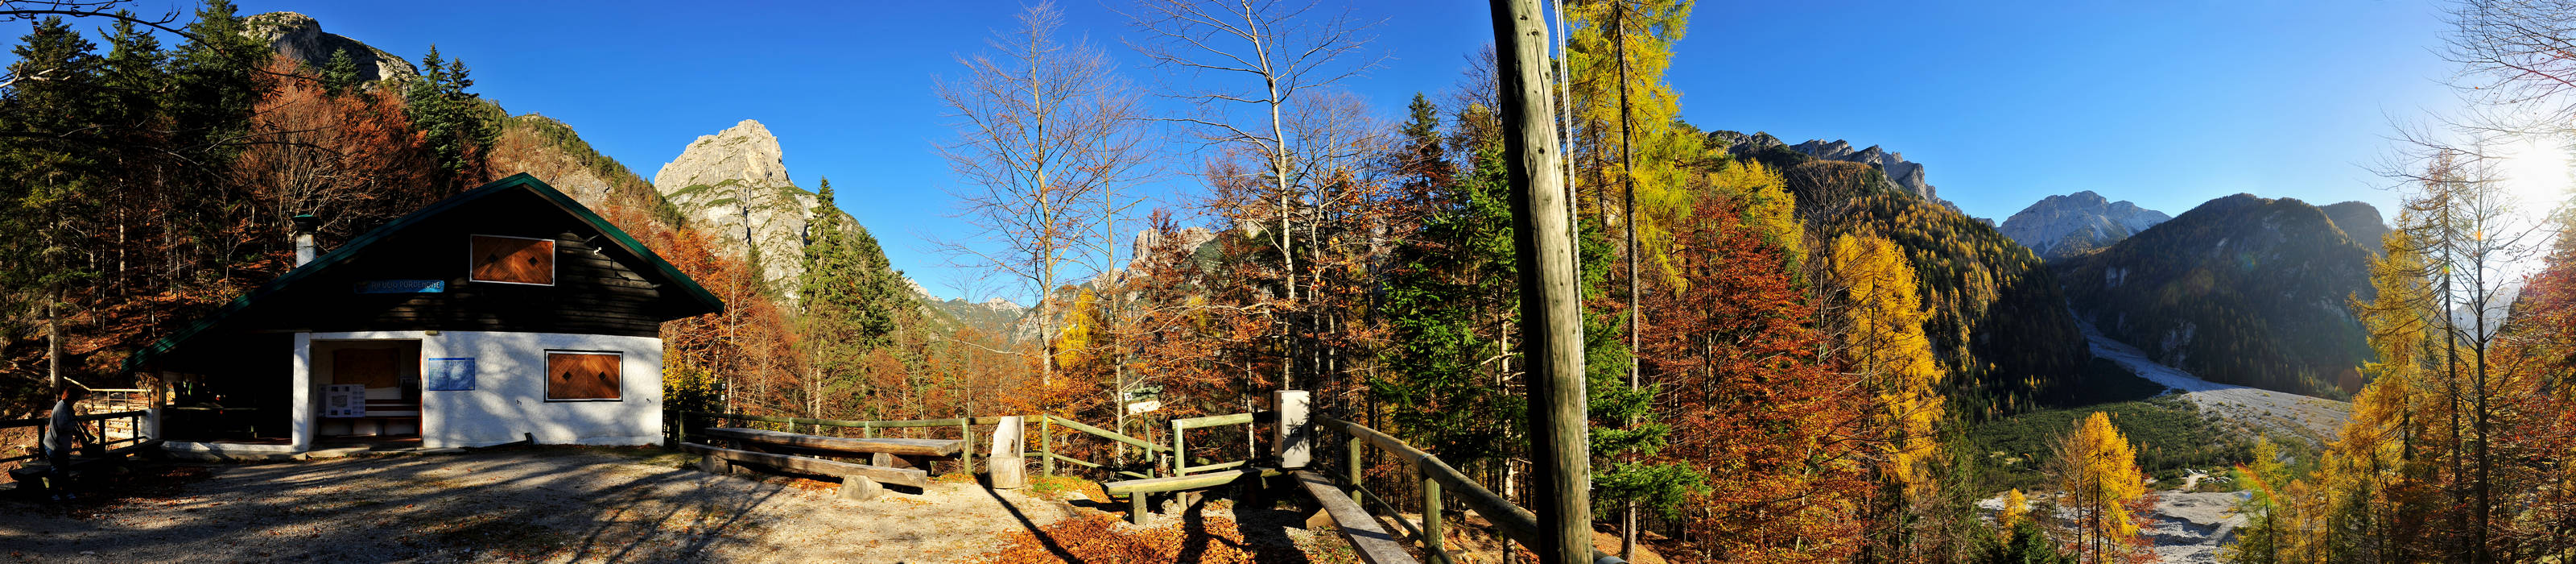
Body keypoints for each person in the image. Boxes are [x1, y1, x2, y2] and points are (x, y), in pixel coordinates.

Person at [39, 384, 89, 501]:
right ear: (71, 398)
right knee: (57, 469)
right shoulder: (62, 408)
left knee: (64, 469)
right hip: (54, 445)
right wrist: (74, 425)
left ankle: (66, 492)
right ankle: (54, 493)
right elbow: (63, 426)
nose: (76, 402)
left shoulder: (66, 407)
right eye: (75, 400)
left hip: (61, 445)